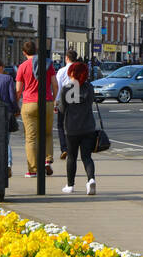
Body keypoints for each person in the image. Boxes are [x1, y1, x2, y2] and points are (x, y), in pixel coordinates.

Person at [15, 38, 56, 177]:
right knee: (48, 133)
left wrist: (15, 104)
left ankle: (33, 170)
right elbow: (55, 84)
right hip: (47, 101)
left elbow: (18, 90)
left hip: (29, 103)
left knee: (31, 138)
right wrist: (53, 99)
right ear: (36, 50)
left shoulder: (22, 66)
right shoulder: (48, 64)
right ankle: (47, 160)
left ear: (24, 52)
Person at [57, 59, 98, 196]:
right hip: (88, 127)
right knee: (87, 157)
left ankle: (70, 185)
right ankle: (91, 179)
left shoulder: (67, 88)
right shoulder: (90, 87)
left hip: (72, 128)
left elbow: (62, 109)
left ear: (73, 73)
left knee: (72, 157)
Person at [55, 50, 79, 159]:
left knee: (61, 125)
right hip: (75, 98)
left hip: (63, 99)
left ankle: (64, 148)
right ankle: (72, 148)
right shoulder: (79, 70)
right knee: (73, 125)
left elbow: (58, 87)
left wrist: (56, 101)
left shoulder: (62, 71)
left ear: (67, 58)